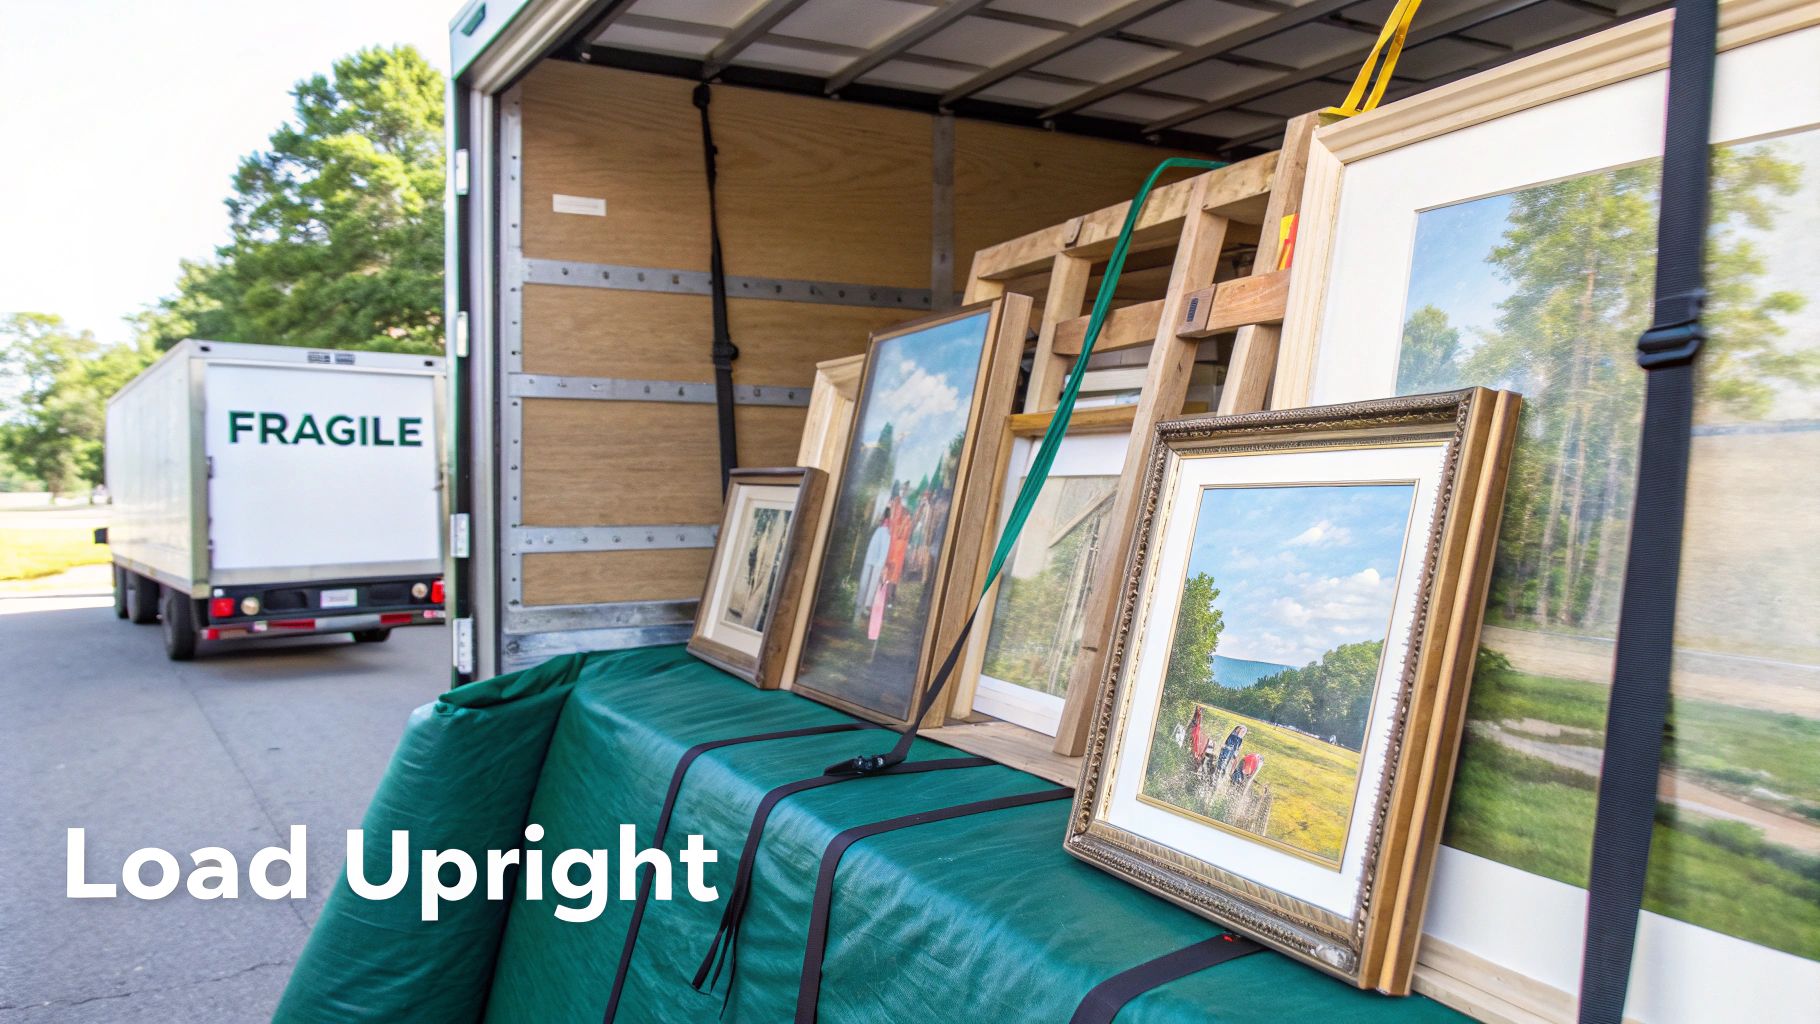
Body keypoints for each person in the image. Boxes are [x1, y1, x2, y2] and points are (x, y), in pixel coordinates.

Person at [855, 510, 891, 625]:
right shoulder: (882, 530)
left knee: (874, 576)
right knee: (870, 576)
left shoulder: (884, 531)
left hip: (883, 540)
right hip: (880, 540)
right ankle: (863, 603)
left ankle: (867, 605)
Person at [1187, 707, 1205, 772]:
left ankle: (1198, 710)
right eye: (1199, 763)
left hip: (1194, 735)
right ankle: (1199, 711)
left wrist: (1192, 737)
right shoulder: (1197, 756)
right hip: (1196, 735)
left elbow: (1192, 744)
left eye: (1198, 763)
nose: (1200, 762)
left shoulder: (1194, 755)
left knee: (1196, 723)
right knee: (1197, 724)